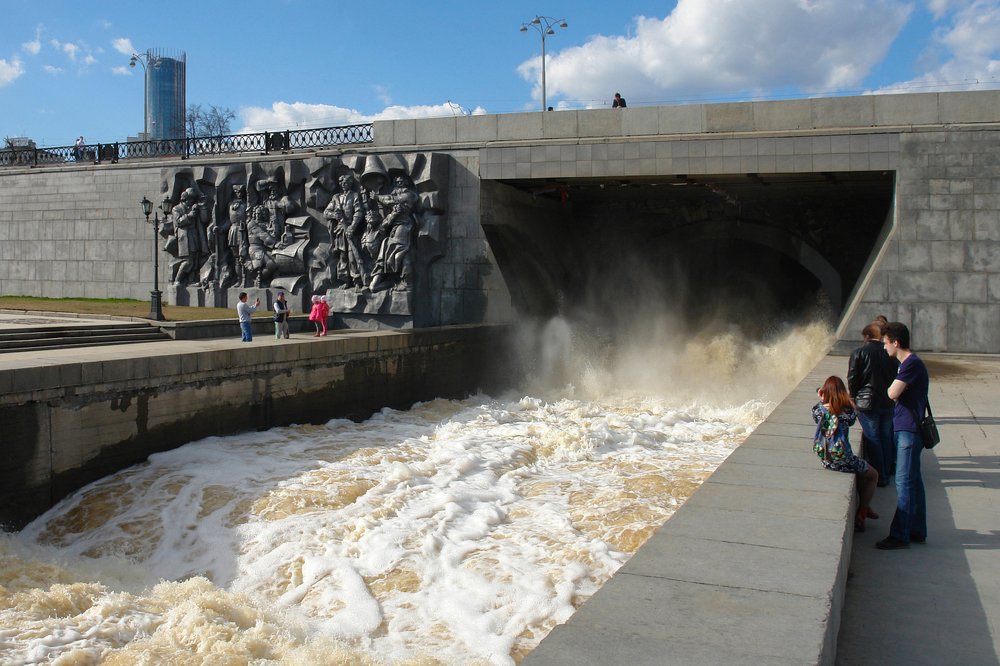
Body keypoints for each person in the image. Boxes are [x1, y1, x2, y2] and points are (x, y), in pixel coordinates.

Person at [877, 321, 930, 550]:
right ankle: (917, 529)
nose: (884, 348)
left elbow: (892, 393)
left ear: (896, 342)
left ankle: (900, 534)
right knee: (914, 480)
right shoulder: (910, 364)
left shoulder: (910, 364)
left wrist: (894, 390)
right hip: (908, 427)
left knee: (903, 481)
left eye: (886, 343)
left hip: (908, 429)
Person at [812, 376, 880, 532]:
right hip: (844, 459)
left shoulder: (818, 411)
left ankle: (864, 508)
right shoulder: (846, 413)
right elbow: (852, 418)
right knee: (873, 475)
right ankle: (863, 511)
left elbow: (817, 412)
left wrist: (822, 399)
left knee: (863, 474)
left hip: (827, 459)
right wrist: (849, 401)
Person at [847, 322, 897, 486]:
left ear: (867, 336)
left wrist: (852, 397)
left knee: (873, 438)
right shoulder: (890, 353)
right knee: (886, 437)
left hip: (867, 403)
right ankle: (888, 471)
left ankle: (880, 477)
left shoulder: (859, 352)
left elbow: (853, 379)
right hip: (888, 402)